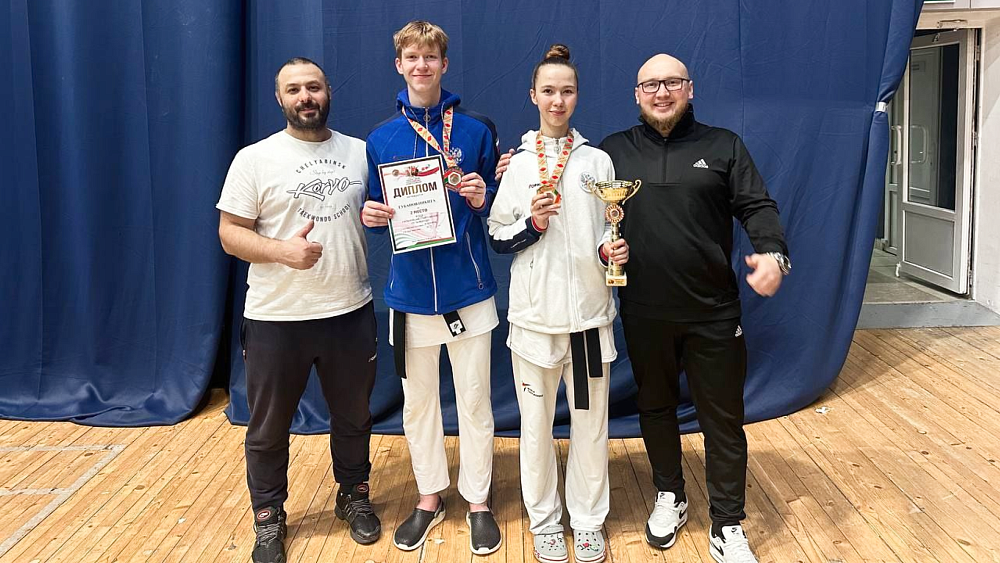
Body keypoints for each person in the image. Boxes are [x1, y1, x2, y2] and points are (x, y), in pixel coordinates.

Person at [599, 54, 791, 563]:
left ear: (690, 89)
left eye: (672, 83)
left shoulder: (723, 145)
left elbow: (758, 206)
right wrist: (517, 168)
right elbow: (584, 211)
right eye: (650, 85)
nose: (661, 92)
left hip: (714, 311)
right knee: (655, 407)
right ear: (637, 94)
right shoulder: (612, 152)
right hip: (644, 309)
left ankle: (727, 523)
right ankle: (670, 494)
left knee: (723, 420)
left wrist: (773, 255)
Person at [217, 57, 381, 563]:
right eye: (294, 89)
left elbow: (389, 207)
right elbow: (229, 233)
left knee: (353, 417)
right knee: (268, 428)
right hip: (276, 317)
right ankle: (268, 516)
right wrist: (281, 252)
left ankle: (353, 495)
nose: (305, 96)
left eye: (313, 87)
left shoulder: (360, 153)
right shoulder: (254, 158)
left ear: (328, 91)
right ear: (280, 98)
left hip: (349, 310)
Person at [361, 20, 502, 555]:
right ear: (399, 65)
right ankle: (428, 496)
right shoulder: (381, 138)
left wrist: (482, 196)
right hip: (410, 294)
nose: (422, 66)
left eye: (431, 57)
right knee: (418, 404)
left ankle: (479, 501)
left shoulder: (475, 130)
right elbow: (376, 209)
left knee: (475, 401)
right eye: (412, 57)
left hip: (469, 289)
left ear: (445, 64)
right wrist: (371, 217)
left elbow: (497, 205)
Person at [487, 44, 627, 563]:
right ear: (533, 96)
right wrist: (533, 223)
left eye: (566, 91)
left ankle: (588, 521)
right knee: (535, 429)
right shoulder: (519, 165)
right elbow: (498, 235)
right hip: (533, 324)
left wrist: (610, 249)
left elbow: (606, 227)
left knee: (590, 428)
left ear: (577, 96)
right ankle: (544, 521)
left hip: (589, 322)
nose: (557, 100)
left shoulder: (597, 160)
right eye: (548, 91)